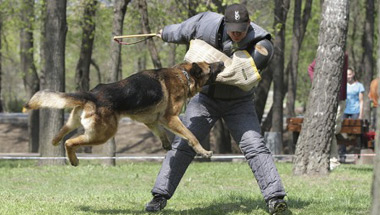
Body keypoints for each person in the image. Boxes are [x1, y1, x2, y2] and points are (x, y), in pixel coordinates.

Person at [145, 4, 287, 215]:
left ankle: (275, 199)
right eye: (233, 29)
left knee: (254, 145)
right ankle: (159, 196)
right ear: (224, 23)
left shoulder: (262, 42)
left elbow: (243, 75)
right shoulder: (206, 23)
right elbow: (183, 30)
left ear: (249, 24)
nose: (237, 33)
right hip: (205, 100)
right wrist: (165, 32)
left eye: (242, 29)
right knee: (183, 144)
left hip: (239, 102)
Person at [307, 54, 348, 169]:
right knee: (329, 129)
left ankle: (331, 159)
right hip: (326, 99)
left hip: (340, 99)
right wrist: (318, 84)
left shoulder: (344, 55)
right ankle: (333, 160)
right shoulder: (326, 53)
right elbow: (311, 68)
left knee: (333, 129)